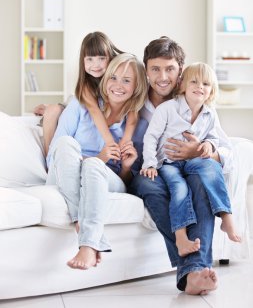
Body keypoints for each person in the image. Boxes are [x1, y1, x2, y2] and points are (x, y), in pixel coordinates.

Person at [128, 36, 234, 295]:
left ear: (180, 73)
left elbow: (225, 149)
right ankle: (194, 268)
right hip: (148, 167)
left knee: (200, 182)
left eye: (170, 69)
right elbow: (104, 94)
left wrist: (199, 151)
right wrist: (60, 108)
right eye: (155, 69)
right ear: (146, 70)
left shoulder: (199, 104)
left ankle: (193, 272)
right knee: (153, 187)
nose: (162, 76)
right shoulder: (136, 100)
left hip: (188, 166)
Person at [46, 52, 148, 270]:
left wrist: (128, 166)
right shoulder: (80, 106)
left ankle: (88, 243)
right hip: (66, 171)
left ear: (136, 87)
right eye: (113, 77)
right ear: (106, 78)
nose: (118, 85)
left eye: (127, 80)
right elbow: (55, 153)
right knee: (65, 142)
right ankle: (84, 230)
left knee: (93, 166)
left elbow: (126, 182)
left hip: (107, 179)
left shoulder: (137, 126)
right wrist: (98, 157)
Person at [140, 62, 241, 258]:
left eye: (206, 84)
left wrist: (209, 146)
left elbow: (214, 138)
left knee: (211, 167)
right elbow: (151, 136)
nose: (200, 87)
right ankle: (181, 237)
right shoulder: (168, 109)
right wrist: (150, 163)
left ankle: (226, 216)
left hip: (193, 161)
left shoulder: (210, 113)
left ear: (211, 91)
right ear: (182, 85)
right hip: (168, 163)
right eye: (194, 81)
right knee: (179, 188)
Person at [34, 32, 138, 155]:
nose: (96, 65)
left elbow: (133, 108)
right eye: (90, 59)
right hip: (76, 102)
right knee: (52, 110)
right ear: (82, 61)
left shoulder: (121, 68)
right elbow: (94, 111)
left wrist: (126, 139)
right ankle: (48, 157)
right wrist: (110, 142)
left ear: (110, 56)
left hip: (88, 102)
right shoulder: (86, 85)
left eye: (101, 58)